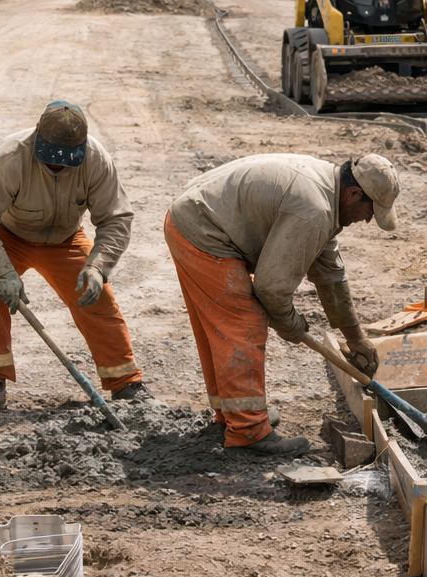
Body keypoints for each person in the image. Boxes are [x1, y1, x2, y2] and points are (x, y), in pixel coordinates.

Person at [164, 153, 398, 455]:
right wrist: (290, 324)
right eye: (369, 211)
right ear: (354, 194)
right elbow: (271, 288)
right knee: (243, 323)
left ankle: (233, 415)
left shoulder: (327, 192)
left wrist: (357, 339)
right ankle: (248, 432)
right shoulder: (313, 209)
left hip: (194, 218)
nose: (367, 220)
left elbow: (330, 275)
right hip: (203, 232)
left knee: (223, 327)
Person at [0, 101, 146, 418]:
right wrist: (1, 271)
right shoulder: (10, 158)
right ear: (37, 140)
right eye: (51, 163)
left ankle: (126, 384)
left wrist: (98, 267)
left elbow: (115, 219)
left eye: (66, 164)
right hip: (9, 236)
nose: (58, 169)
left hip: (66, 238)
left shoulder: (96, 159)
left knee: (96, 294)